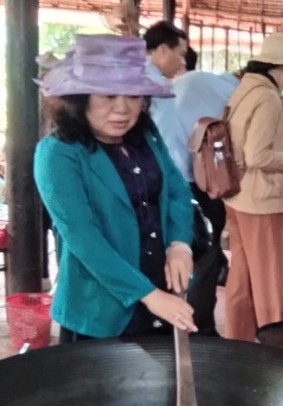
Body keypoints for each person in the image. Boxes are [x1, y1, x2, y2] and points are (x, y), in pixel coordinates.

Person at [33, 34, 196, 340]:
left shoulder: (145, 135)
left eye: (133, 96)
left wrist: (179, 243)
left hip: (160, 295)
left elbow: (175, 190)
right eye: (108, 95)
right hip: (99, 309)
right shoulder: (58, 153)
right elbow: (82, 238)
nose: (123, 109)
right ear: (80, 98)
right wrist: (147, 294)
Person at [222, 33, 283, 342]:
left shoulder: (244, 90)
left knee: (242, 276)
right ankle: (277, 347)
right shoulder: (267, 96)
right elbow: (258, 156)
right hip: (260, 200)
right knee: (269, 281)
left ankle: (237, 343)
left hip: (236, 195)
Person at [147, 28, 237, 337]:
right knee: (203, 253)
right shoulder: (153, 87)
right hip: (177, 184)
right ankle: (199, 326)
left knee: (188, 251)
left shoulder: (165, 86)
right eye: (179, 53)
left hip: (173, 182)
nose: (182, 61)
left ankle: (186, 322)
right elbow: (167, 146)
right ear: (161, 50)